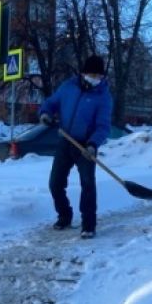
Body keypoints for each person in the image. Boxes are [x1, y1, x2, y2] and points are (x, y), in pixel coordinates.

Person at [38, 55, 112, 239]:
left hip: (86, 145)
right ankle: (64, 215)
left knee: (87, 184)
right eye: (92, 74)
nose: (95, 78)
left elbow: (103, 126)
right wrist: (45, 113)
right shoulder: (68, 88)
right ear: (83, 73)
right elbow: (51, 103)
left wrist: (93, 144)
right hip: (65, 141)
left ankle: (88, 225)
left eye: (99, 75)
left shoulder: (103, 96)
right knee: (55, 183)